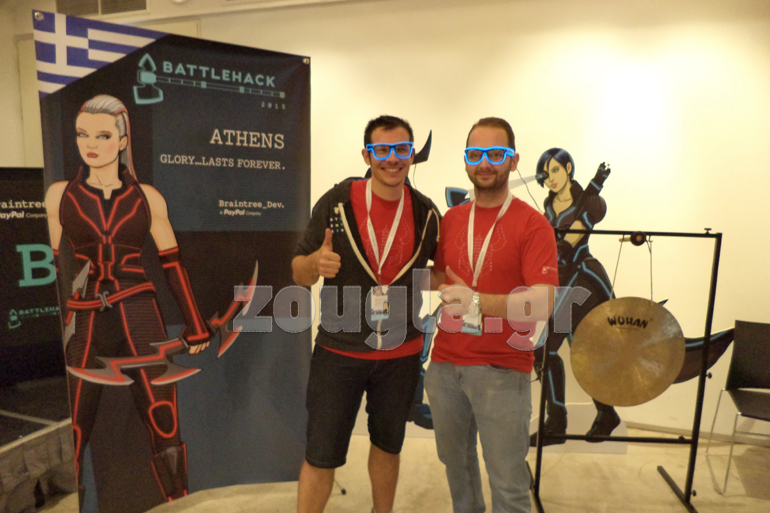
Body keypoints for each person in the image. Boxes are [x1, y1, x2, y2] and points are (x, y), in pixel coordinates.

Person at [45, 94, 210, 504]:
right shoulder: (60, 195)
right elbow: (53, 268)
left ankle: (178, 504)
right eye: (82, 134)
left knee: (163, 421)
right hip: (83, 319)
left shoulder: (147, 197)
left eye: (103, 135)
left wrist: (196, 325)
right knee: (74, 429)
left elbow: (172, 263)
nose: (90, 144)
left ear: (122, 141)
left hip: (139, 313)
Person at [292, 115, 440, 513]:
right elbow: (298, 272)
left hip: (401, 355)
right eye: (382, 150)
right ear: (367, 155)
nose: (393, 159)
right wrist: (315, 264)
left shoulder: (426, 212)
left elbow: (439, 273)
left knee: (388, 446)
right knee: (321, 455)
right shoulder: (337, 203)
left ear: (412, 154)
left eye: (402, 149)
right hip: (339, 353)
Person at [426, 117, 558, 513]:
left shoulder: (533, 225)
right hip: (445, 366)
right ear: (466, 160)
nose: (485, 163)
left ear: (513, 160)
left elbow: (542, 303)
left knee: (508, 485)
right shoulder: (452, 219)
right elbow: (442, 279)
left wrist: (478, 303)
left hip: (502, 370)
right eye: (476, 154)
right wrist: (385, 275)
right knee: (458, 469)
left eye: (496, 154)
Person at [530, 148, 616, 445]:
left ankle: (557, 422)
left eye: (555, 170)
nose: (551, 178)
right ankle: (605, 413)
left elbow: (576, 233)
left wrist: (560, 249)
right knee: (579, 352)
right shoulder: (548, 205)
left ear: (568, 169)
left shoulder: (588, 202)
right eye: (546, 174)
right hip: (561, 281)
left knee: (545, 350)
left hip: (583, 281)